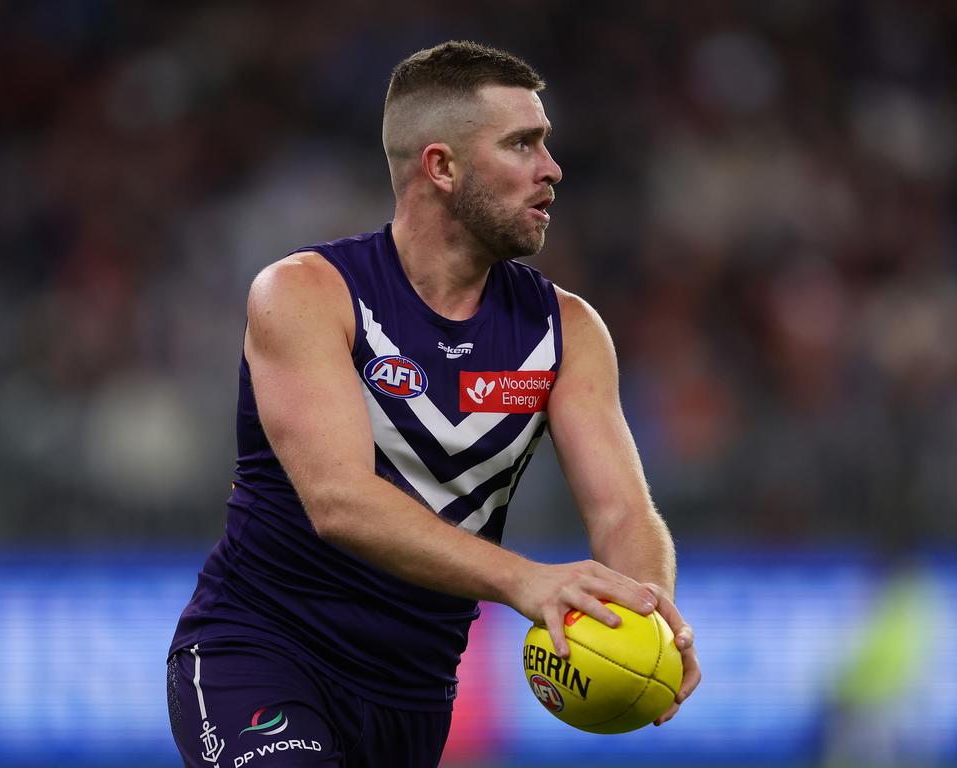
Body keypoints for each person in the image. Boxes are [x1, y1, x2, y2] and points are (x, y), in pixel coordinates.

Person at [167, 40, 700, 768]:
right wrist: (525, 579)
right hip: (262, 653)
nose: (552, 170)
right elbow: (339, 501)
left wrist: (646, 619)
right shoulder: (306, 294)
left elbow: (624, 513)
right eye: (523, 144)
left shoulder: (567, 330)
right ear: (441, 167)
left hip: (415, 696)